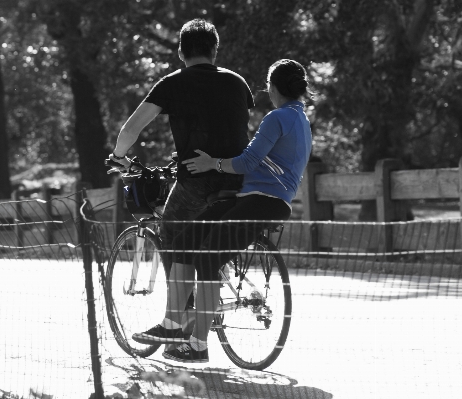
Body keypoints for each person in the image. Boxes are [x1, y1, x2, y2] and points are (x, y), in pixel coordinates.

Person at [133, 59, 313, 363]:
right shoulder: (301, 120)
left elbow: (246, 161)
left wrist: (211, 163)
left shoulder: (277, 117)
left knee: (209, 256)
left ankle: (198, 344)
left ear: (272, 86)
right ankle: (172, 325)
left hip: (263, 201)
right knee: (187, 240)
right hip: (259, 198)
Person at [109, 19, 254, 324]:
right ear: (215, 49)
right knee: (207, 238)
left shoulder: (173, 83)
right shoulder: (237, 82)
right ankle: (208, 298)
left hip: (198, 181)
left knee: (170, 232)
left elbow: (132, 128)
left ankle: (181, 313)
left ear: (180, 51)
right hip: (239, 178)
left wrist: (118, 156)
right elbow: (232, 128)